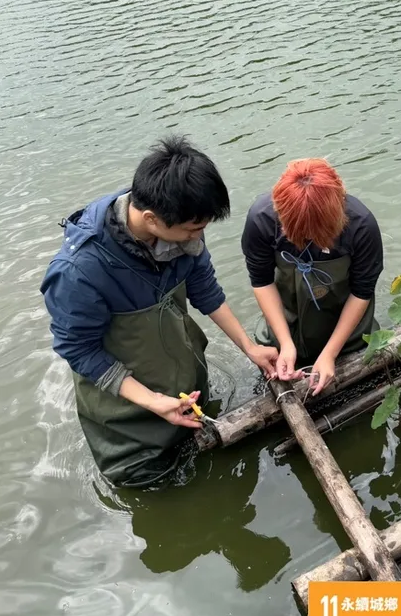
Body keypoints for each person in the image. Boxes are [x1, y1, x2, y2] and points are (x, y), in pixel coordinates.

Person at [41, 136, 278, 488]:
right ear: (152, 219)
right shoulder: (79, 271)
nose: (200, 236)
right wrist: (153, 402)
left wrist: (250, 347)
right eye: (194, 228)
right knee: (150, 486)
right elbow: (79, 350)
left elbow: (205, 290)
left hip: (184, 388)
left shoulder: (182, 221)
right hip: (127, 414)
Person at [241, 158, 383, 394]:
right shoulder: (261, 219)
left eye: (314, 235)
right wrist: (285, 344)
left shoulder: (362, 226)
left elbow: (362, 292)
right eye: (298, 233)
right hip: (288, 317)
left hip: (346, 322)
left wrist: (330, 354)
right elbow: (262, 281)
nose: (306, 239)